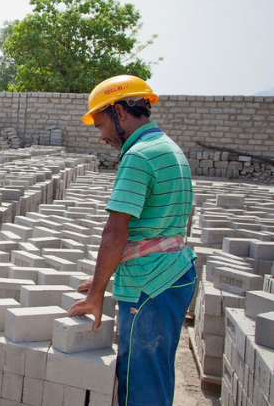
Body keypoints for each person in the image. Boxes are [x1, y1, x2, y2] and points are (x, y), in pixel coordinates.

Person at [67, 75, 197, 406]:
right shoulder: (168, 147)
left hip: (150, 283)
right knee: (157, 370)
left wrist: (96, 295)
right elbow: (156, 225)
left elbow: (116, 231)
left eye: (100, 123)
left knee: (140, 383)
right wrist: (99, 277)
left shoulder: (138, 155)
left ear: (120, 112)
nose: (101, 135)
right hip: (174, 273)